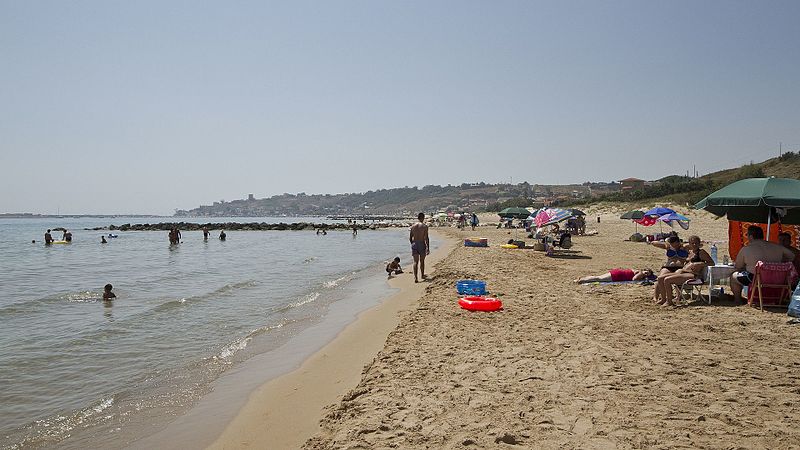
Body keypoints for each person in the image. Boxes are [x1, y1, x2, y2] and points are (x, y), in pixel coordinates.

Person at [731, 226, 795, 302]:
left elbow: (738, 266)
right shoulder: (777, 247)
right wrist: (781, 263)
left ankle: (738, 300)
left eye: (747, 235)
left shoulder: (746, 249)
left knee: (733, 276)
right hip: (778, 279)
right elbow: (792, 256)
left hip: (756, 279)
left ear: (751, 236)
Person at [656, 235, 715, 306]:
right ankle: (663, 299)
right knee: (660, 278)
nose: (694, 245)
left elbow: (712, 263)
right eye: (692, 243)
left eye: (696, 243)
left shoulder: (701, 252)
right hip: (683, 272)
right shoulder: (690, 252)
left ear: (699, 244)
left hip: (693, 275)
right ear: (689, 244)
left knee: (667, 280)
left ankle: (669, 301)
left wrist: (700, 263)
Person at [410, 212, 430, 283]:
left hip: (414, 244)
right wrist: (428, 247)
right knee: (422, 261)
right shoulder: (424, 226)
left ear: (418, 218)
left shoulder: (413, 226)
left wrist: (412, 244)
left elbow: (410, 237)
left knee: (415, 261)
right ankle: (422, 275)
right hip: (421, 244)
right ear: (423, 218)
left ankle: (415, 277)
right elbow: (426, 238)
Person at [576, 268, 654, 284]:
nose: (645, 274)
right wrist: (643, 278)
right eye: (646, 272)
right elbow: (634, 279)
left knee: (599, 277)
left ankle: (583, 279)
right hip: (617, 275)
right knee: (599, 278)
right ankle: (582, 280)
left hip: (618, 273)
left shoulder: (637, 270)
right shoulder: (640, 273)